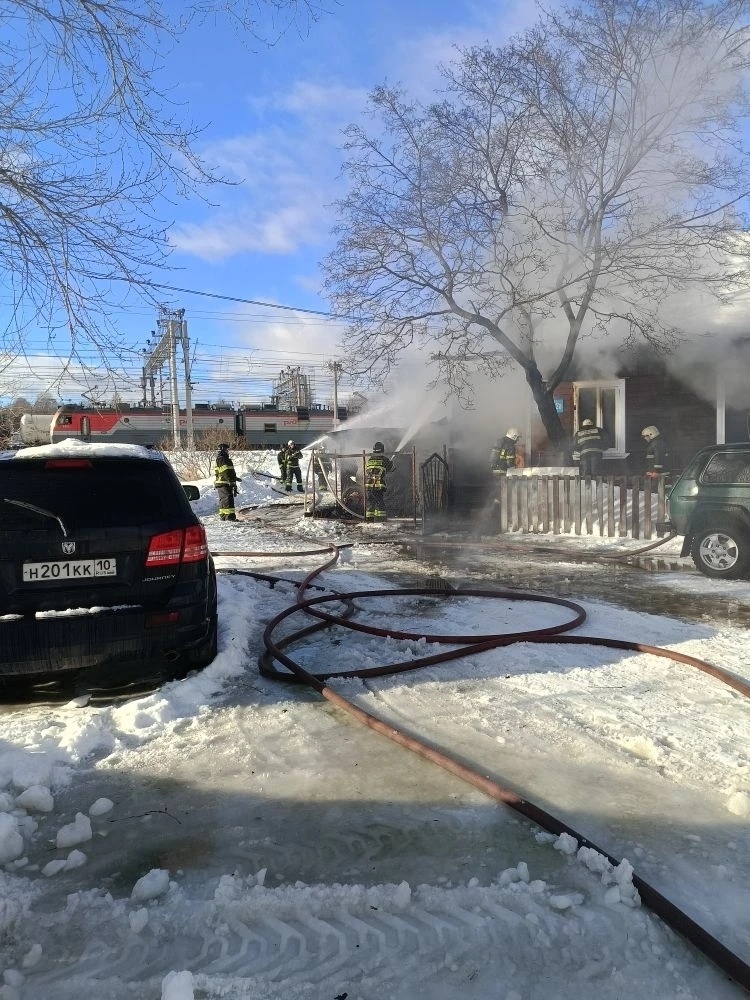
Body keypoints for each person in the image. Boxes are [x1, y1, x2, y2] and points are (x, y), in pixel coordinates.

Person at [364, 441, 393, 522]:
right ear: (382, 450)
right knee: (379, 502)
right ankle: (381, 520)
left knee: (370, 503)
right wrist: (391, 463)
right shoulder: (383, 459)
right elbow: (390, 468)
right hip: (378, 485)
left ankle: (369, 521)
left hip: (369, 485)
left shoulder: (370, 460)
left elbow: (368, 470)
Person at [214, 442, 241, 521]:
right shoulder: (222, 459)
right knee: (228, 499)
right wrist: (231, 481)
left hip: (223, 482)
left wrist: (235, 478)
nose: (227, 451)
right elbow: (225, 472)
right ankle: (230, 517)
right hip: (224, 482)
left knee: (224, 500)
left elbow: (227, 472)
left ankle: (224, 517)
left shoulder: (221, 458)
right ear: (222, 450)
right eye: (226, 450)